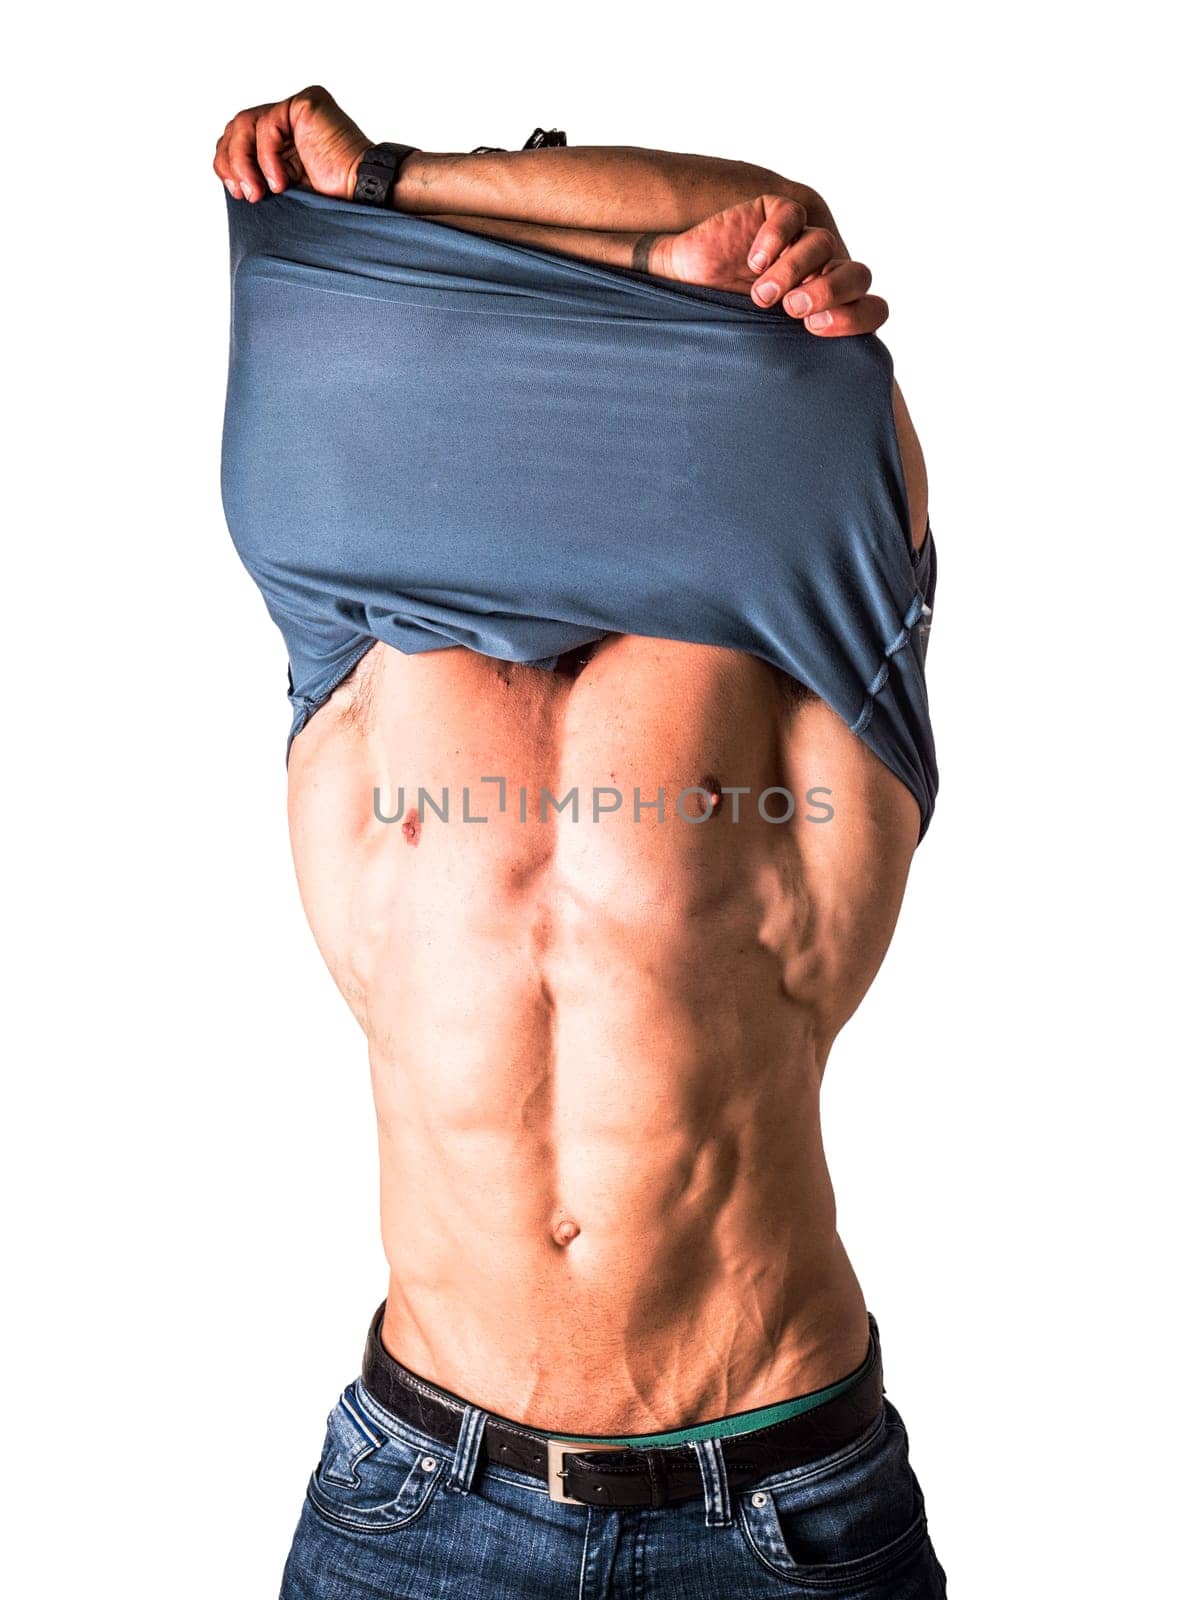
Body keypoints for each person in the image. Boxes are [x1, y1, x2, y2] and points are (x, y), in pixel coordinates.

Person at [213, 84, 947, 1599]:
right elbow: (301, 286)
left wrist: (405, 180)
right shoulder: (353, 641)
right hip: (417, 1503)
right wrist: (407, 212)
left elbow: (780, 219)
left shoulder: (802, 615)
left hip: (777, 1510)